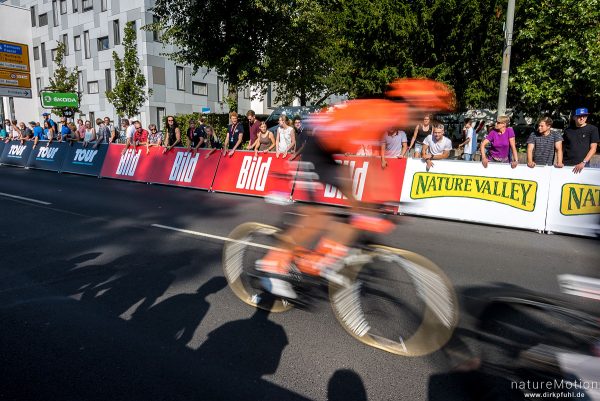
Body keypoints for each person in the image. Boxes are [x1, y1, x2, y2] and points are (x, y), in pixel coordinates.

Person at [256, 78, 455, 299]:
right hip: (316, 147)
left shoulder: (394, 117)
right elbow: (367, 166)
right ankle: (272, 264)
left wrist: (382, 203)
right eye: (424, 111)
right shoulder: (379, 116)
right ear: (410, 104)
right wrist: (369, 208)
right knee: (318, 217)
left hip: (331, 149)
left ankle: (324, 258)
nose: (424, 118)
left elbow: (376, 166)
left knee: (357, 213)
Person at [563, 108, 599, 174]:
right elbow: (563, 147)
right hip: (566, 164)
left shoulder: (593, 129)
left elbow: (593, 148)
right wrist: (560, 162)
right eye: (579, 116)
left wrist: (583, 162)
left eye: (584, 116)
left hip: (582, 166)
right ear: (574, 117)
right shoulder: (568, 130)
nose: (582, 118)